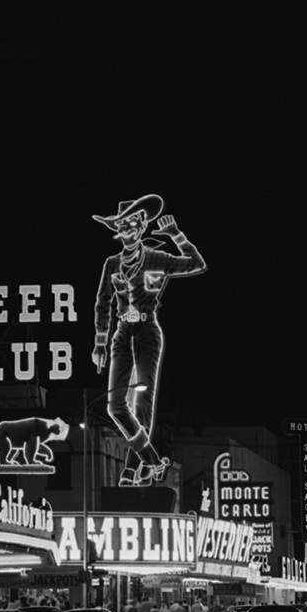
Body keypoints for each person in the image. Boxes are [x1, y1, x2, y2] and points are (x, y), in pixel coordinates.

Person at [89, 195, 206, 486]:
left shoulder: (157, 258)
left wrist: (176, 235)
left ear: (141, 227)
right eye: (122, 224)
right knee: (115, 405)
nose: (127, 228)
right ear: (117, 230)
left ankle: (130, 472)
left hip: (147, 331)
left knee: (142, 402)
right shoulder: (111, 263)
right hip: (121, 334)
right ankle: (152, 461)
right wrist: (100, 343)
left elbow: (197, 263)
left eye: (133, 223)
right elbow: (102, 302)